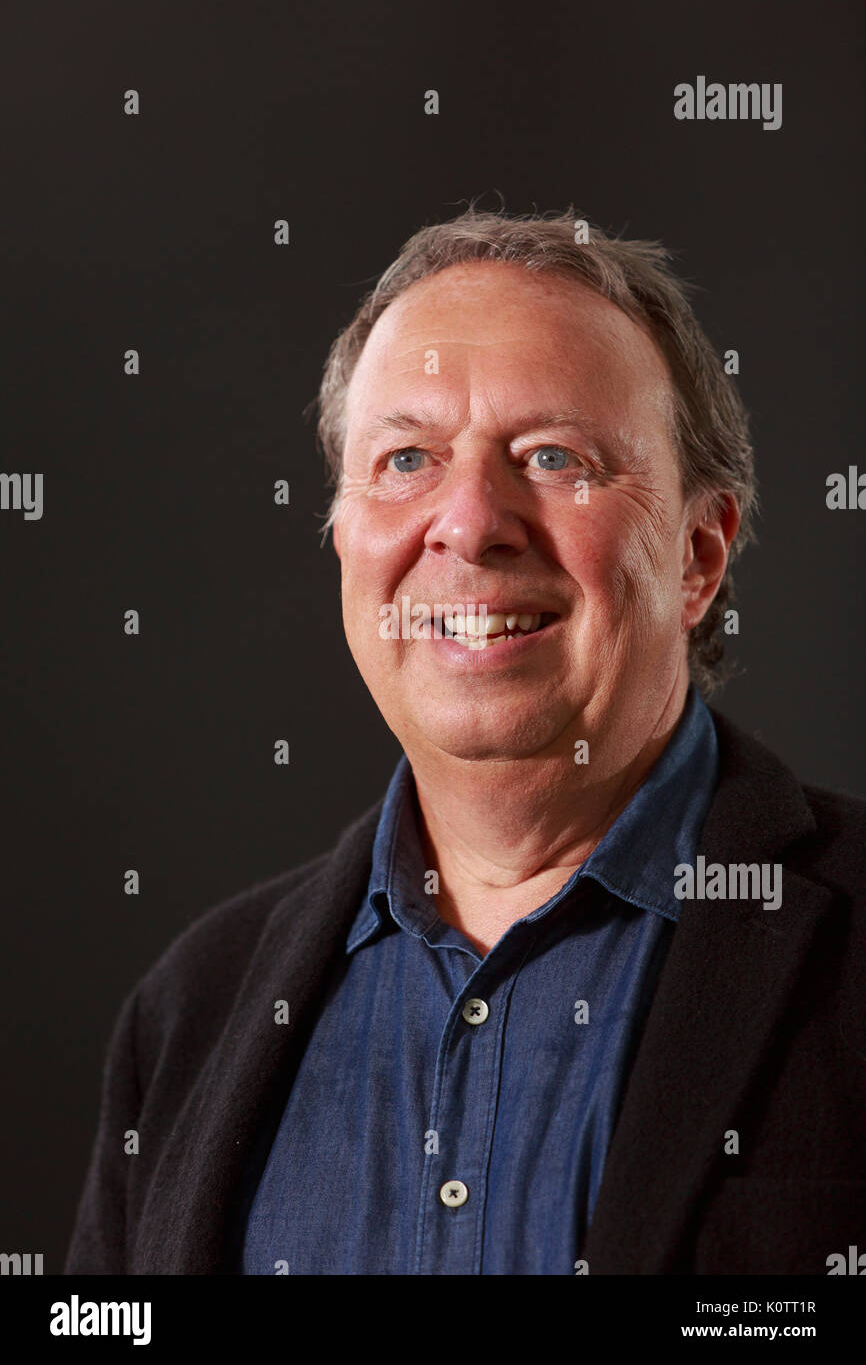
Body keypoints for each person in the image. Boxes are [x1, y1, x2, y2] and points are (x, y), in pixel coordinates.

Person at [65, 208, 866, 1275]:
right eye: (406, 458)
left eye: (551, 455)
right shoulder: (190, 1010)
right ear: (345, 534)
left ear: (696, 553)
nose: (469, 520)